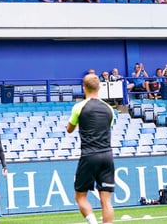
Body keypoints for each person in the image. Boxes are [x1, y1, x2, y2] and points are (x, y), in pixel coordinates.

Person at [67, 74, 115, 224]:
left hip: (89, 155)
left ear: (84, 88)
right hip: (107, 155)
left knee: (80, 196)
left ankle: (92, 222)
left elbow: (69, 129)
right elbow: (108, 128)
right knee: (106, 200)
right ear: (99, 87)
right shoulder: (109, 109)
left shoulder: (79, 107)